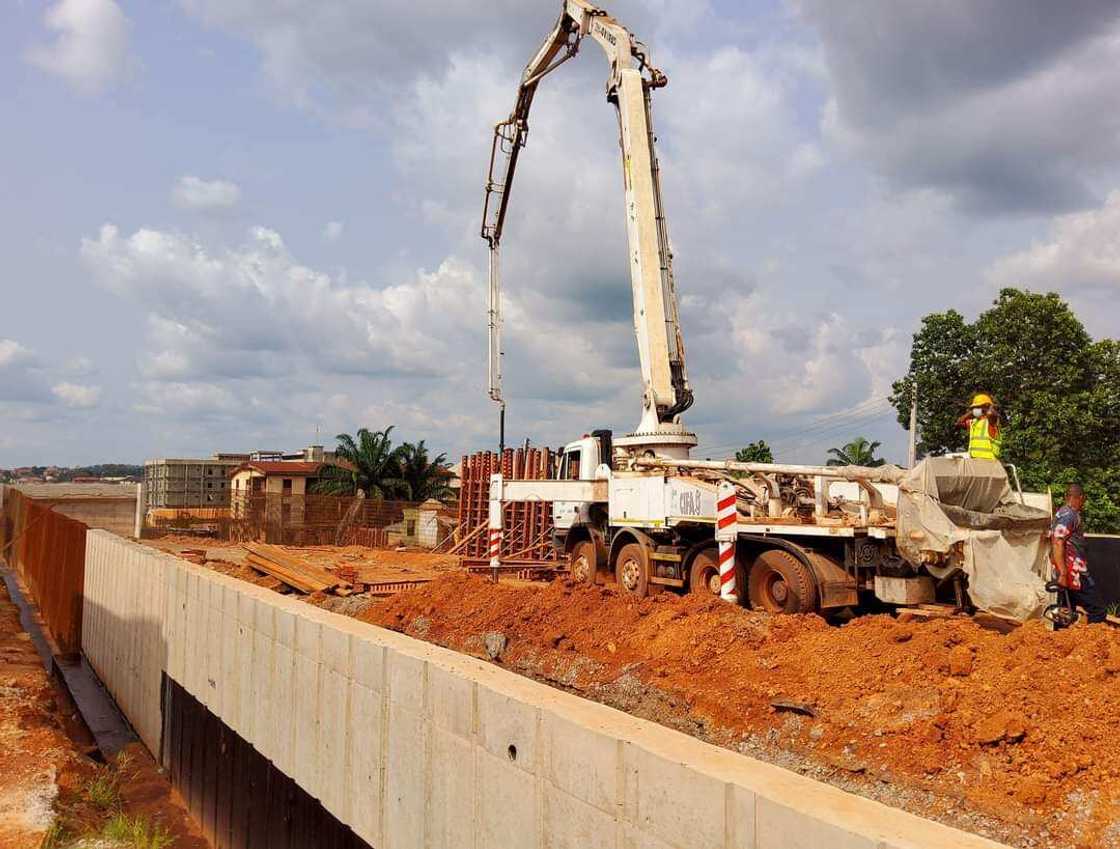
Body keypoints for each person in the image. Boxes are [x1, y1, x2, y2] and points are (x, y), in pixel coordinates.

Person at [1050, 483, 1107, 624]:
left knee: (1065, 610)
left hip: (1065, 569)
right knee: (1098, 611)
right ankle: (1092, 643)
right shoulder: (1069, 515)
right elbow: (1058, 542)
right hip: (1074, 572)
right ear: (1081, 498)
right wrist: (1063, 573)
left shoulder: (1061, 513)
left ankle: (1060, 642)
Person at [956, 393, 1002, 460]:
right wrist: (971, 413)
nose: (975, 410)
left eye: (977, 407)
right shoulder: (974, 422)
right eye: (974, 408)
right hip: (975, 462)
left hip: (989, 462)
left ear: (986, 407)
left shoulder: (991, 422)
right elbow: (958, 422)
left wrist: (986, 409)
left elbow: (991, 414)